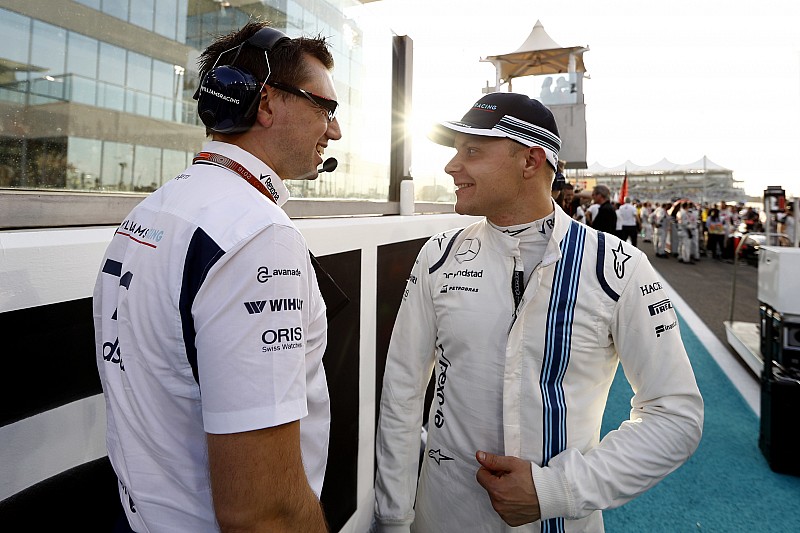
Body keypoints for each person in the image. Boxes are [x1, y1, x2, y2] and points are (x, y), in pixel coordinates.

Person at [373, 92, 703, 533]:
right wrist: (392, 519)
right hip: (444, 514)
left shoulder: (616, 267)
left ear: (530, 162)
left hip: (563, 522)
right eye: (455, 151)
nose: (452, 166)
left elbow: (674, 414)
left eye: (472, 151)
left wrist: (556, 491)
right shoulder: (439, 256)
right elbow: (402, 390)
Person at [93, 21, 342, 532]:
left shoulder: (157, 208)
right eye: (325, 108)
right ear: (266, 103)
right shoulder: (256, 236)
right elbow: (262, 512)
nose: (334, 131)